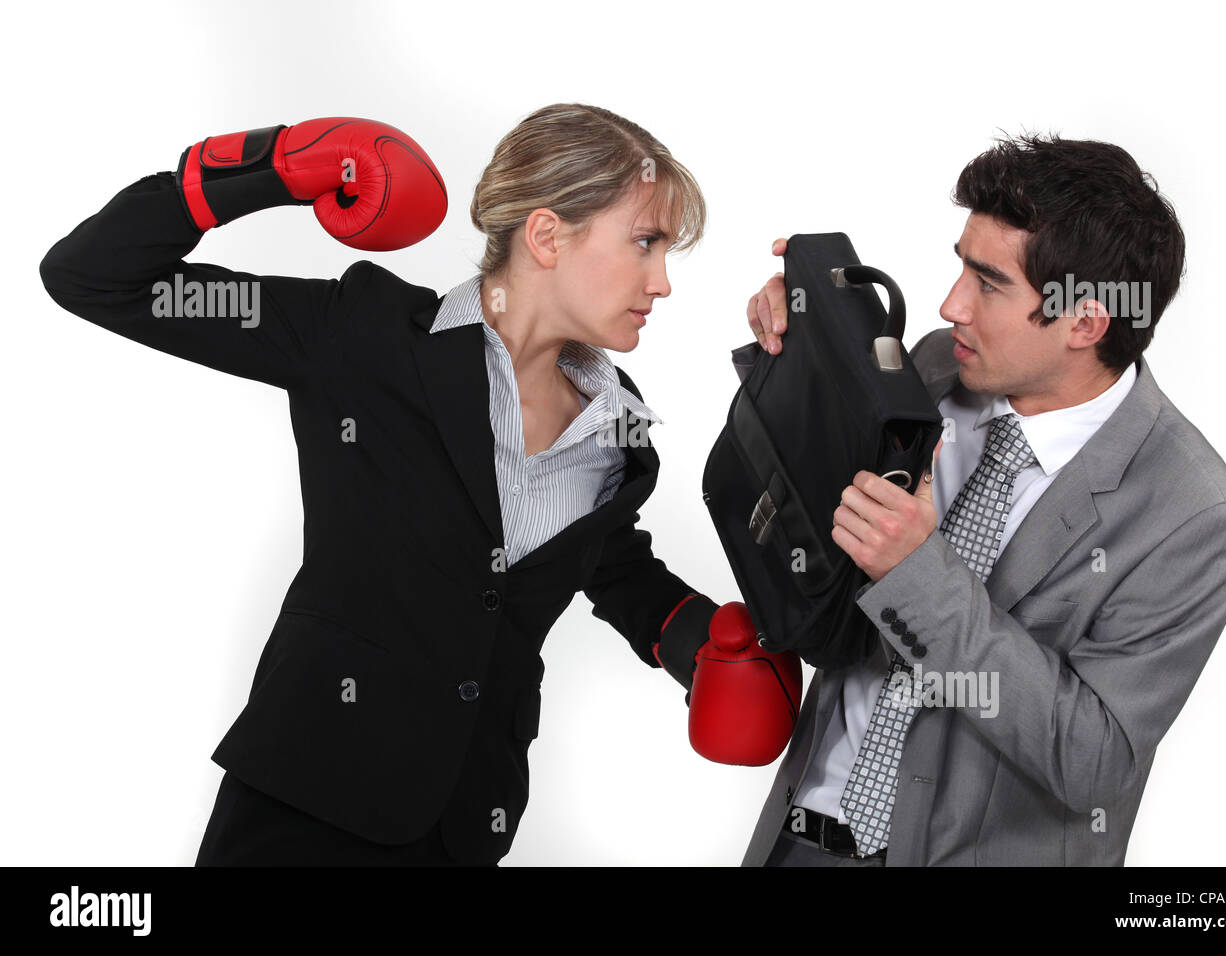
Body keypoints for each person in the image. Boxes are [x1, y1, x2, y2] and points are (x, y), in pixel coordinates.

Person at [39, 103, 734, 866]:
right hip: (305, 810)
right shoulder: (359, 333)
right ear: (547, 235)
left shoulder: (617, 423)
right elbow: (96, 277)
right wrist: (262, 168)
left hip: (467, 825)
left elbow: (607, 559)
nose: (662, 282)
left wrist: (700, 642)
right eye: (646, 243)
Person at [740, 134, 1226, 866]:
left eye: (988, 283)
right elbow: (805, 530)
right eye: (961, 266)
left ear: (1086, 321)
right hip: (800, 842)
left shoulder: (1195, 517)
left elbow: (1094, 762)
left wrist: (919, 575)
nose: (952, 304)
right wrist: (798, 347)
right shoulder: (927, 371)